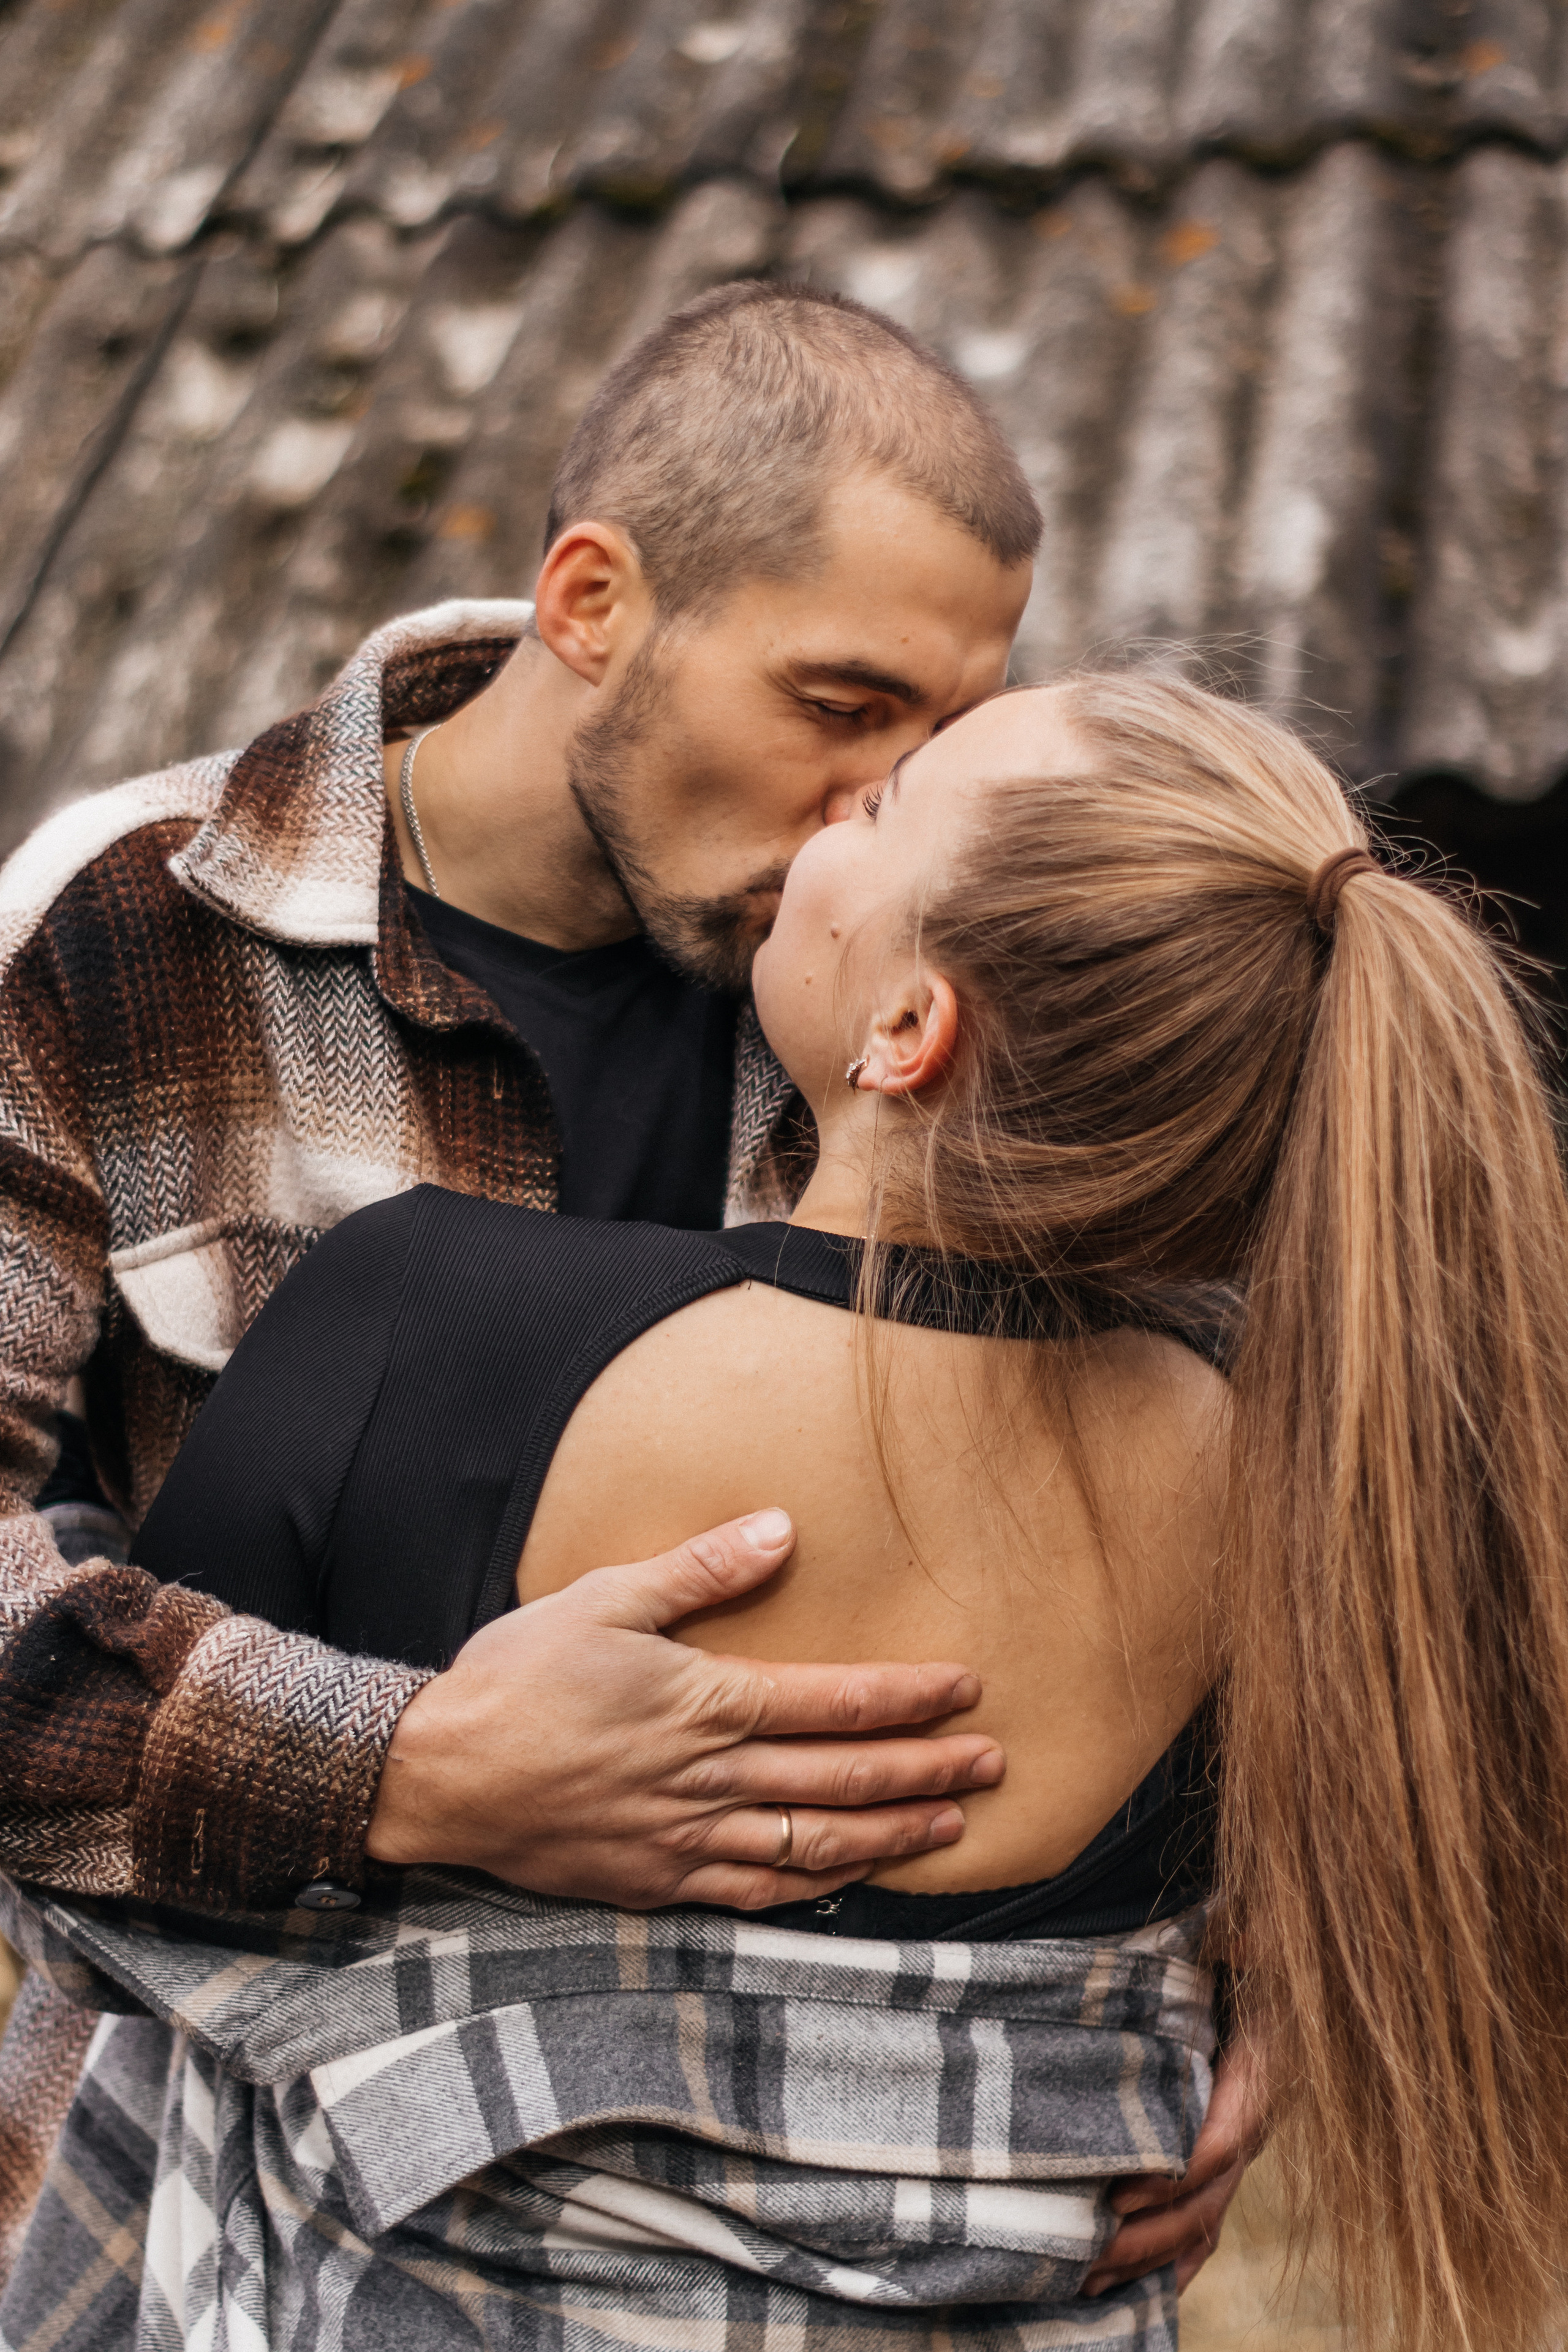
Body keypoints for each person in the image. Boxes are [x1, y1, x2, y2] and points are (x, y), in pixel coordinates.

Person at [13, 666, 1563, 2352]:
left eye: (884, 812)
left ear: (909, 1028)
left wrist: (388, 1767)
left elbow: (86, 1873)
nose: (837, 807)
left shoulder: (424, 1319)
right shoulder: (1297, 1482)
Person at [0, 280, 1246, 2281]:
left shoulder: (913, 981)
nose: (866, 804)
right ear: (591, 601)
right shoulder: (119, 936)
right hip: (230, 2216)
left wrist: (1251, 1966)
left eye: (933, 742)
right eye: (840, 706)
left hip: (847, 2232)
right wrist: (399, 1767)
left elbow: (1213, 1532)